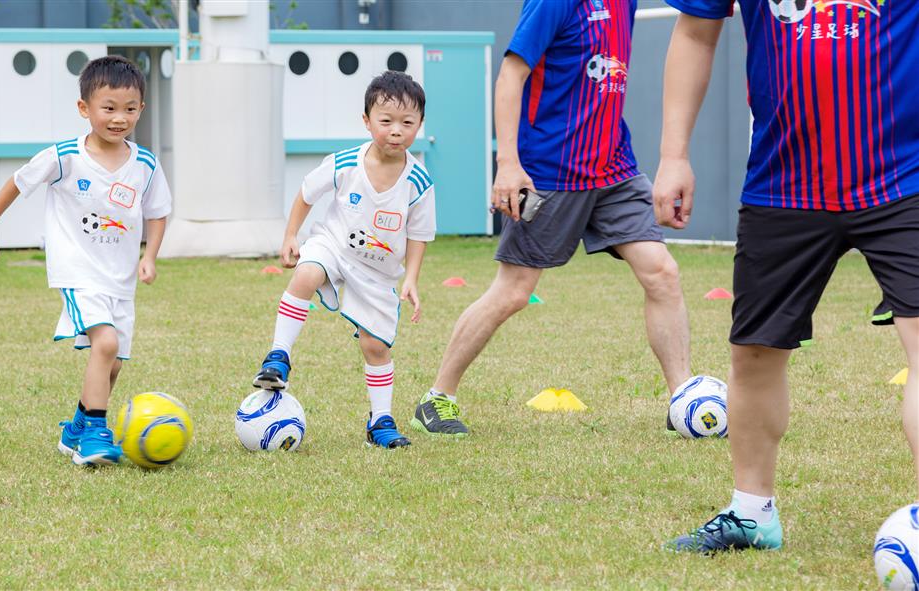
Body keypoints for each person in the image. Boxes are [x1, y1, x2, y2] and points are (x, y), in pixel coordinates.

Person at [654, 0, 919, 552]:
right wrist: (673, 155)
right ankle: (753, 514)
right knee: (754, 352)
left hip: (904, 182)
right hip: (784, 185)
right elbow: (697, 34)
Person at [411, 0, 692, 438]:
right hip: (550, 172)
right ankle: (436, 398)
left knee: (662, 273)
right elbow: (511, 75)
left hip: (614, 169)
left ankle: (683, 402)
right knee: (513, 293)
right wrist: (507, 163)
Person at [0, 56, 172, 466]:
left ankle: (76, 428)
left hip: (120, 279)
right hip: (78, 271)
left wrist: (149, 255)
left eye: (129, 109)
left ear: (142, 108)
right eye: (109, 108)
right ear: (84, 108)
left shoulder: (146, 165)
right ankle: (96, 436)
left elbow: (157, 213)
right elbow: (18, 182)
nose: (119, 118)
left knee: (114, 363)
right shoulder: (65, 157)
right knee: (104, 343)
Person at [252, 71, 435, 449]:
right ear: (366, 122)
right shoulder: (345, 163)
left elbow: (419, 235)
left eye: (407, 123)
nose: (396, 131)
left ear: (419, 125)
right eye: (385, 121)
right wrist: (291, 236)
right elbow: (306, 193)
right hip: (333, 245)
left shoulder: (419, 182)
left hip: (378, 273)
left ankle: (380, 421)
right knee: (307, 273)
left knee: (375, 346)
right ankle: (278, 357)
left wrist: (412, 279)